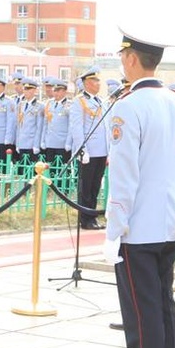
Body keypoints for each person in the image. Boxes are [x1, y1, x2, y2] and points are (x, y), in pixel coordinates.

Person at [102, 30, 175, 348]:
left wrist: (114, 228)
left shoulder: (128, 106)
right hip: (170, 222)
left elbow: (123, 179)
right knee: (163, 307)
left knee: (141, 312)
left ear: (130, 59)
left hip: (137, 228)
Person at [70, 65, 109, 230]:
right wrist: (82, 149)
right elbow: (77, 128)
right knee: (85, 187)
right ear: (86, 82)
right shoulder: (79, 101)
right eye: (94, 80)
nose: (98, 83)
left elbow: (105, 127)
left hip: (101, 151)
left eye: (98, 80)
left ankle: (92, 217)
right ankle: (85, 219)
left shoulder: (100, 101)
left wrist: (109, 151)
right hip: (89, 151)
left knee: (95, 186)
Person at [40, 79, 72, 166]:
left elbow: (71, 126)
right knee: (50, 170)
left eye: (59, 91)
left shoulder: (69, 105)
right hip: (50, 142)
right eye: (55, 90)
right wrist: (43, 140)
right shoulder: (49, 104)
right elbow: (45, 124)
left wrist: (68, 143)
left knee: (62, 171)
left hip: (62, 144)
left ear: (65, 91)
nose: (56, 93)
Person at [14, 77, 43, 164]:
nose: (25, 91)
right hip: (22, 143)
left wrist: (36, 145)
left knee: (31, 172)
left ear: (34, 90)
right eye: (25, 89)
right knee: (22, 171)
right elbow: (19, 126)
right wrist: (18, 143)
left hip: (32, 144)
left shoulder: (39, 106)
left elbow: (39, 127)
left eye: (28, 89)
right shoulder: (20, 105)